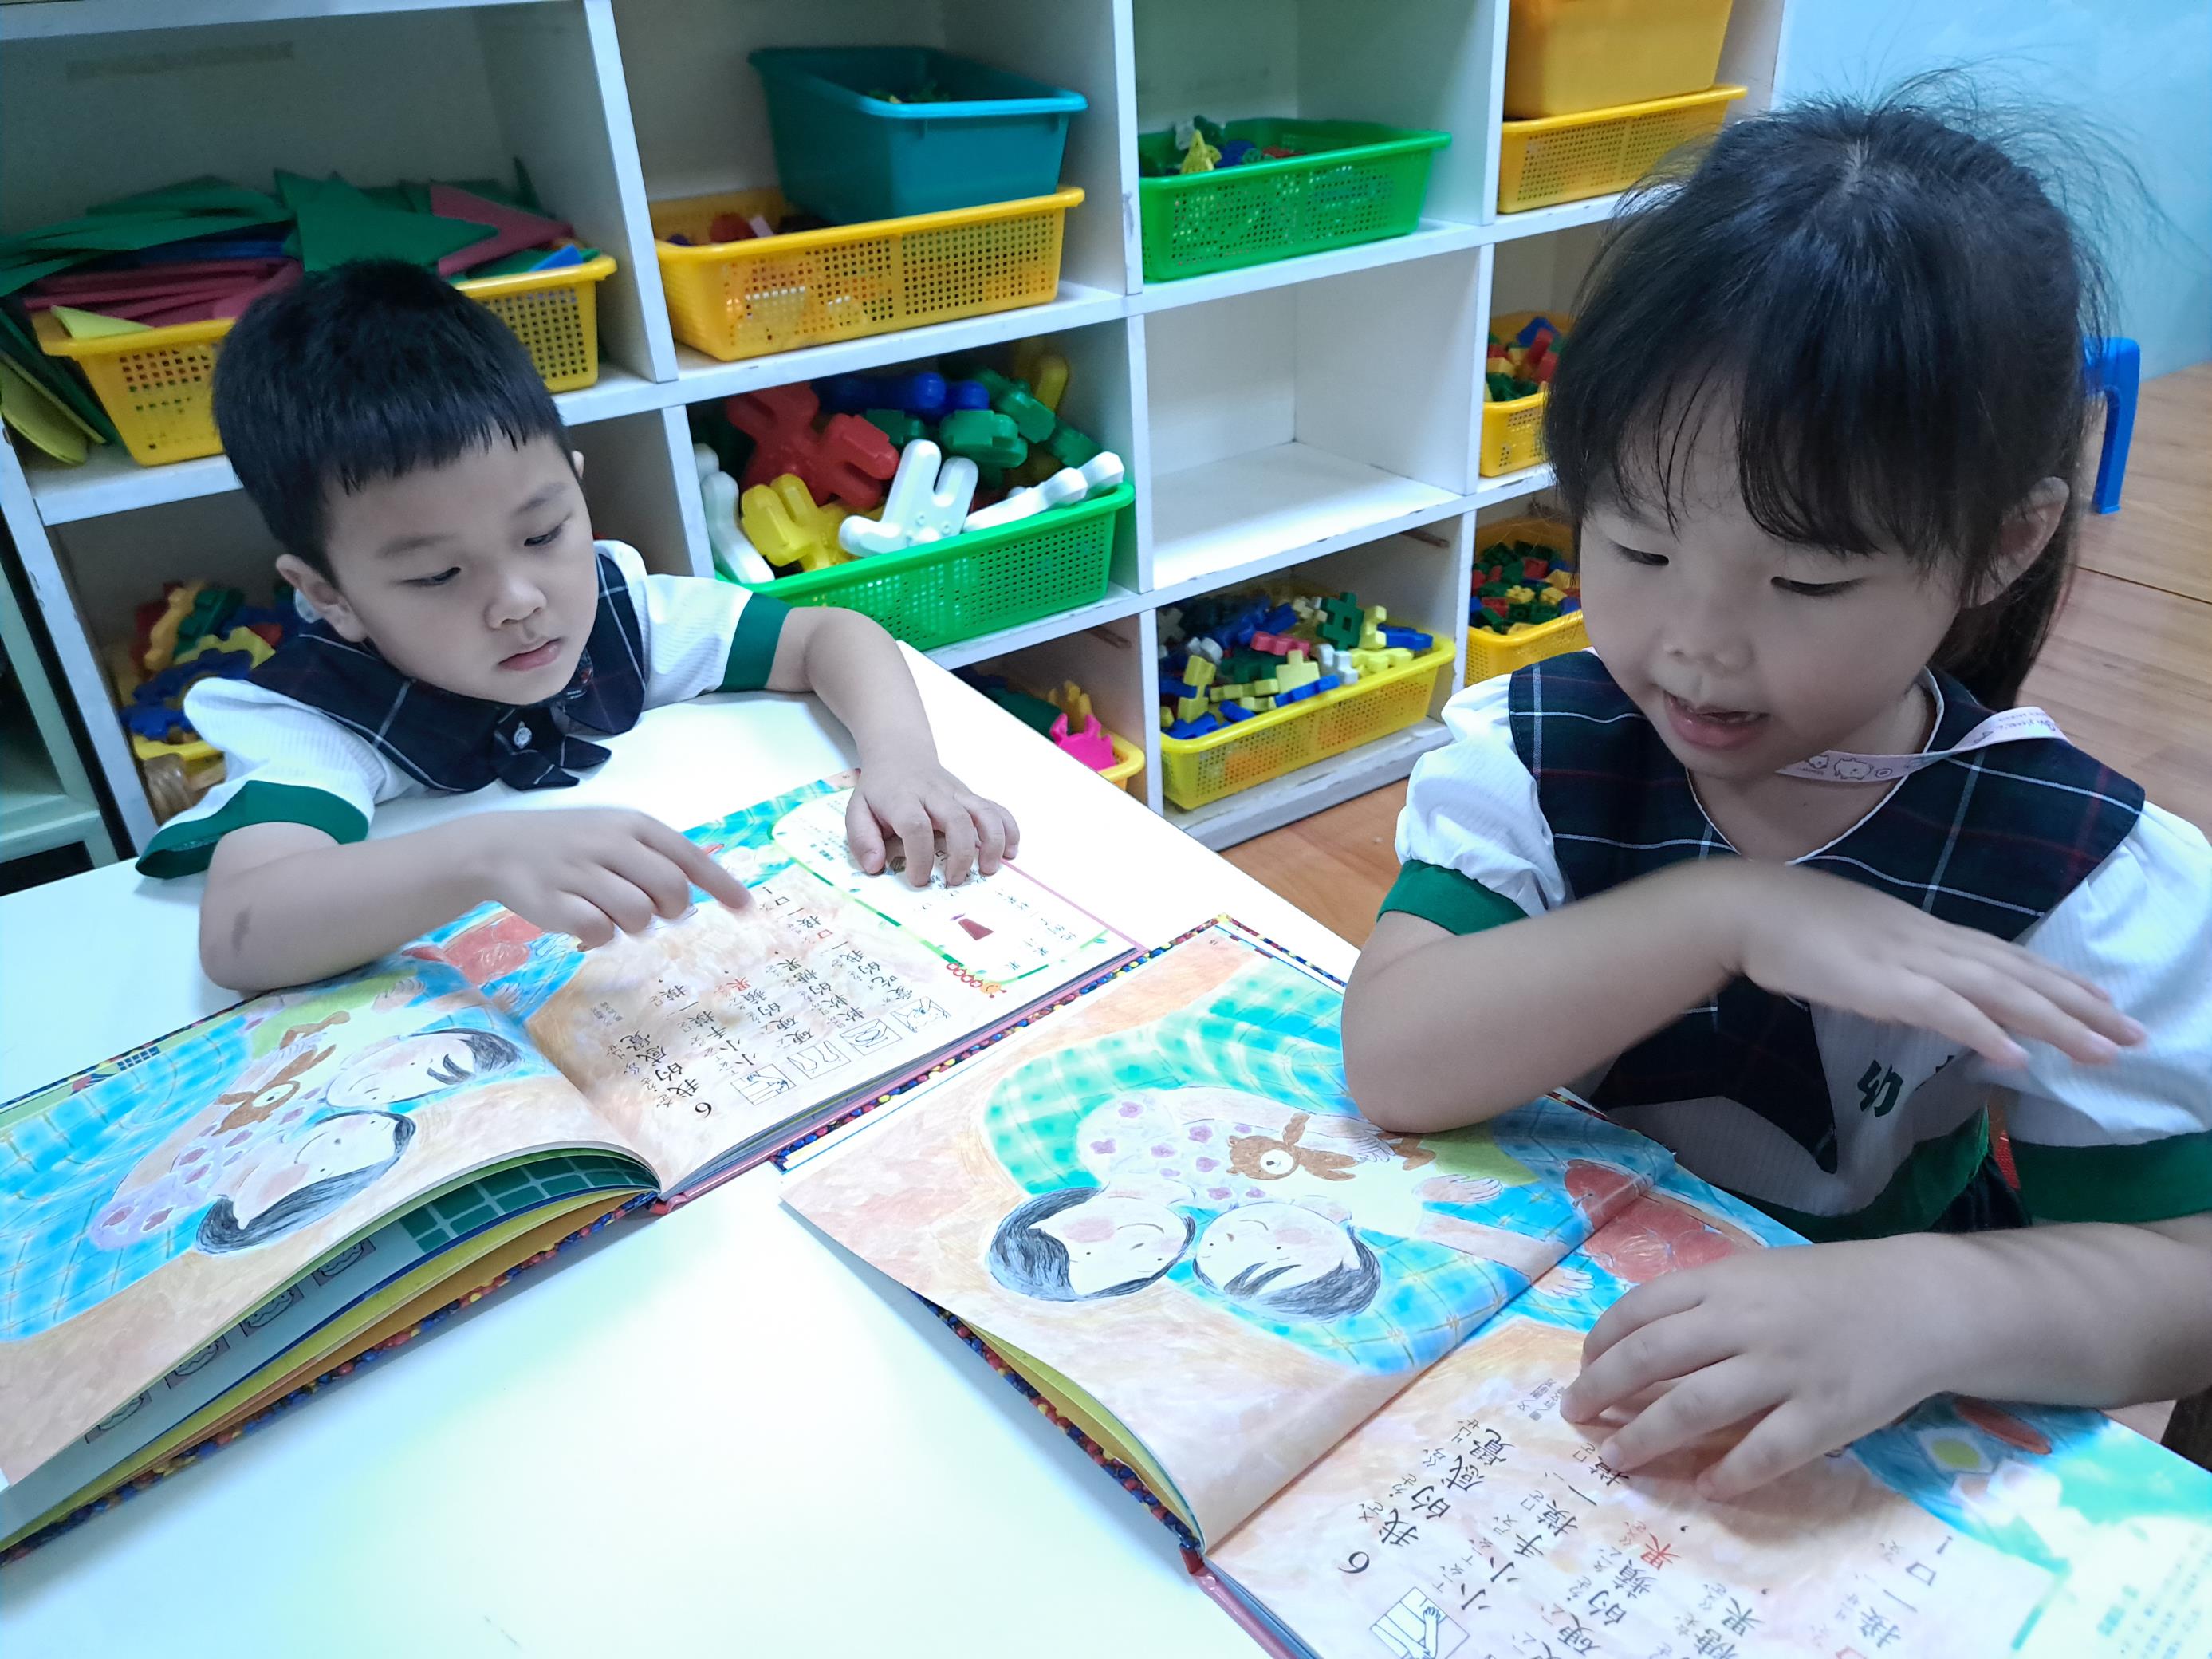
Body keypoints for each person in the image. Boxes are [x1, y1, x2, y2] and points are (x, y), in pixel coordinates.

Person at [1342, 93, 2212, 1498]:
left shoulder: (2073, 871)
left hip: (1851, 1418)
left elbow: (2183, 1280)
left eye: (1805, 582)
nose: (1692, 647)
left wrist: (1932, 1303)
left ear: (2003, 543)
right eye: (1634, 546)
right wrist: (1723, 915)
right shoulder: (1544, 754)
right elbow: (1394, 1061)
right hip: (1531, 1358)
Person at [146, 261, 1017, 991]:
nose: (519, 599)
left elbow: (830, 635)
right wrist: (482, 854)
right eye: (438, 575)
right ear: (329, 593)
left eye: (543, 533)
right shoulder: (318, 717)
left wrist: (903, 757)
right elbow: (242, 932)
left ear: (574, 482)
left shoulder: (619, 610)